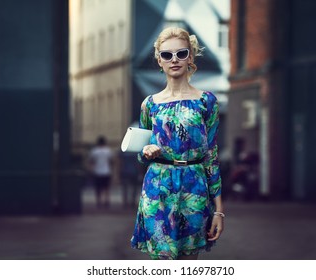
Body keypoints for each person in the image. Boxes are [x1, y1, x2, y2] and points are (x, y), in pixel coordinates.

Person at [131, 27, 224, 260]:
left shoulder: (207, 101)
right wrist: (146, 151)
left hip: (194, 187)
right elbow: (140, 152)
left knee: (188, 263)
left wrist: (219, 211)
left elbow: (211, 156)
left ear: (190, 57)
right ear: (159, 60)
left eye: (181, 53)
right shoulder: (149, 104)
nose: (174, 60)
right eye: (166, 55)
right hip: (157, 188)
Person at [88, 135, 113, 208]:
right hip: (106, 171)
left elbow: (91, 161)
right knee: (106, 188)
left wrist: (91, 169)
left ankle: (99, 202)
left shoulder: (94, 151)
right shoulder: (108, 150)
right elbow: (111, 161)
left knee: (98, 188)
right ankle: (107, 201)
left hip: (97, 171)